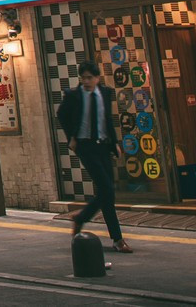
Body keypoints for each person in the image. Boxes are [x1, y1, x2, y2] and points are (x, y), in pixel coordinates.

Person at [57, 63, 132, 253]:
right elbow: (61, 115)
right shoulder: (74, 95)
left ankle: (87, 222)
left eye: (90, 77)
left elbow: (106, 119)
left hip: (103, 145)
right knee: (107, 189)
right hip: (85, 145)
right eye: (84, 78)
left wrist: (114, 142)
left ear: (98, 78)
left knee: (108, 193)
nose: (87, 81)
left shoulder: (105, 93)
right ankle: (116, 238)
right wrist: (71, 137)